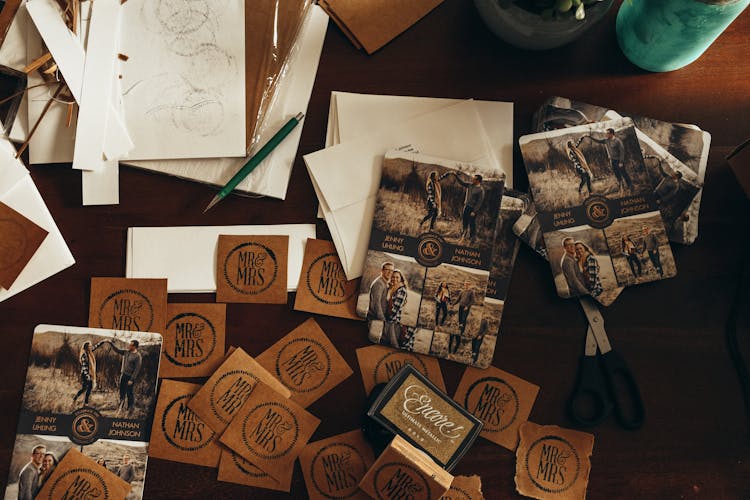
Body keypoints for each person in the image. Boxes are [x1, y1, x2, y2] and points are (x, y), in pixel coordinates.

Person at [107, 339, 143, 413]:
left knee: (129, 392)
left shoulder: (137, 356)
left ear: (135, 347)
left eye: (131, 345)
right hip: (123, 375)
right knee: (122, 391)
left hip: (130, 377)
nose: (129, 345)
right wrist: (110, 343)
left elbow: (137, 369)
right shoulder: (126, 352)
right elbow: (117, 350)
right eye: (129, 344)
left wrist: (132, 379)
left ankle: (130, 408)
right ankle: (121, 407)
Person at [454, 174, 485, 245]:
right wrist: (455, 176)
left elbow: (479, 202)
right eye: (473, 179)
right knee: (464, 221)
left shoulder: (481, 190)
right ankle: (464, 234)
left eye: (474, 179)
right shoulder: (470, 185)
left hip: (473, 209)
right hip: (466, 206)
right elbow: (462, 182)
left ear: (478, 181)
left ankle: (472, 238)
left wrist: (474, 211)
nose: (472, 180)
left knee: (472, 224)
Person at [73, 340, 106, 406]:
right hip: (85, 374)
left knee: (84, 389)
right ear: (86, 347)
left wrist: (103, 341)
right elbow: (84, 367)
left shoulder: (89, 352)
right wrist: (87, 376)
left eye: (91, 346)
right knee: (88, 388)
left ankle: (76, 399)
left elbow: (96, 346)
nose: (91, 347)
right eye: (89, 346)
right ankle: (85, 403)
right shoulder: (84, 355)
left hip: (89, 374)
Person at [384, 270, 408, 349]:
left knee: (393, 344)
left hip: (393, 321)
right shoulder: (391, 288)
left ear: (401, 279)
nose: (395, 279)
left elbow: (395, 310)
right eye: (393, 277)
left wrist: (387, 318)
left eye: (397, 277)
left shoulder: (401, 290)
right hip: (386, 320)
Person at [450, 281, 476, 354]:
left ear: (470, 285)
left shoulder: (471, 292)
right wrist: (453, 304)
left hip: (466, 308)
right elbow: (458, 299)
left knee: (463, 320)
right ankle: (459, 331)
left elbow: (473, 301)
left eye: (467, 284)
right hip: (460, 306)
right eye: (465, 284)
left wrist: (467, 306)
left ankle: (461, 333)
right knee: (460, 319)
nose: (466, 286)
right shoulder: (462, 291)